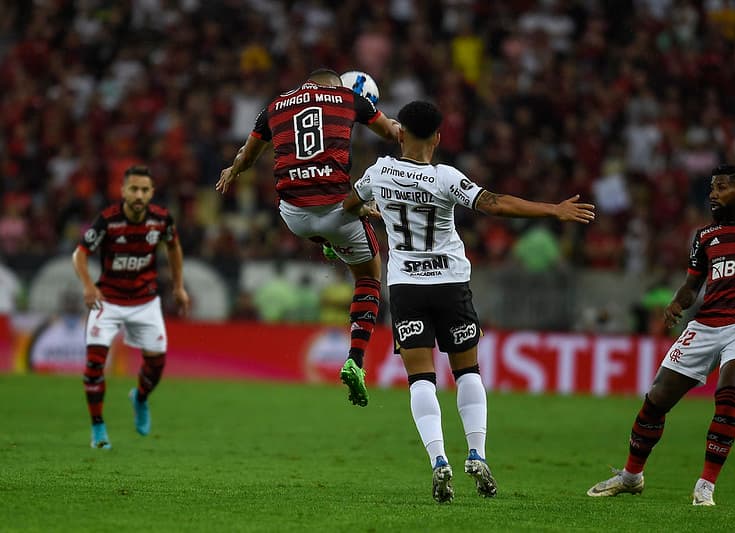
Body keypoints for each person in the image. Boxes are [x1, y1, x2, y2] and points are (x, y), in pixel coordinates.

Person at [343, 100, 595, 502]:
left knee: (420, 379)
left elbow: (348, 205)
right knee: (468, 371)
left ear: (401, 133)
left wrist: (377, 211)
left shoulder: (377, 173)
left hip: (407, 286)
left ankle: (438, 460)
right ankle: (476, 452)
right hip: (450, 284)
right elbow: (495, 203)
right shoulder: (445, 178)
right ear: (438, 138)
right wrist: (553, 210)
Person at [587, 164, 735, 506]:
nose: (713, 194)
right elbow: (691, 285)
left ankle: (706, 485)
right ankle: (631, 477)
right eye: (712, 189)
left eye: (720, 188)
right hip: (704, 326)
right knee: (656, 399)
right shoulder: (705, 236)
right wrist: (676, 303)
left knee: (729, 391)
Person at [215, 68, 400, 407]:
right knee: (370, 276)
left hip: (293, 215)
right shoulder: (349, 98)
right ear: (335, 84)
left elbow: (249, 154)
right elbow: (390, 133)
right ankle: (355, 361)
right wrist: (411, 130)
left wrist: (233, 169)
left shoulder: (275, 107)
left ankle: (329, 244)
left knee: (317, 224)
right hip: (337, 210)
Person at [72, 165, 190, 449]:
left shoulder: (161, 220)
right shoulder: (108, 221)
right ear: (123, 191)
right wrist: (89, 285)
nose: (139, 194)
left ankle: (139, 397)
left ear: (151, 193)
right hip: (108, 301)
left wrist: (178, 286)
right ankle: (98, 430)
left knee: (157, 365)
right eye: (133, 189)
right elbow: (80, 254)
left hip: (145, 301)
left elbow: (173, 246)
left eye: (144, 190)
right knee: (93, 367)